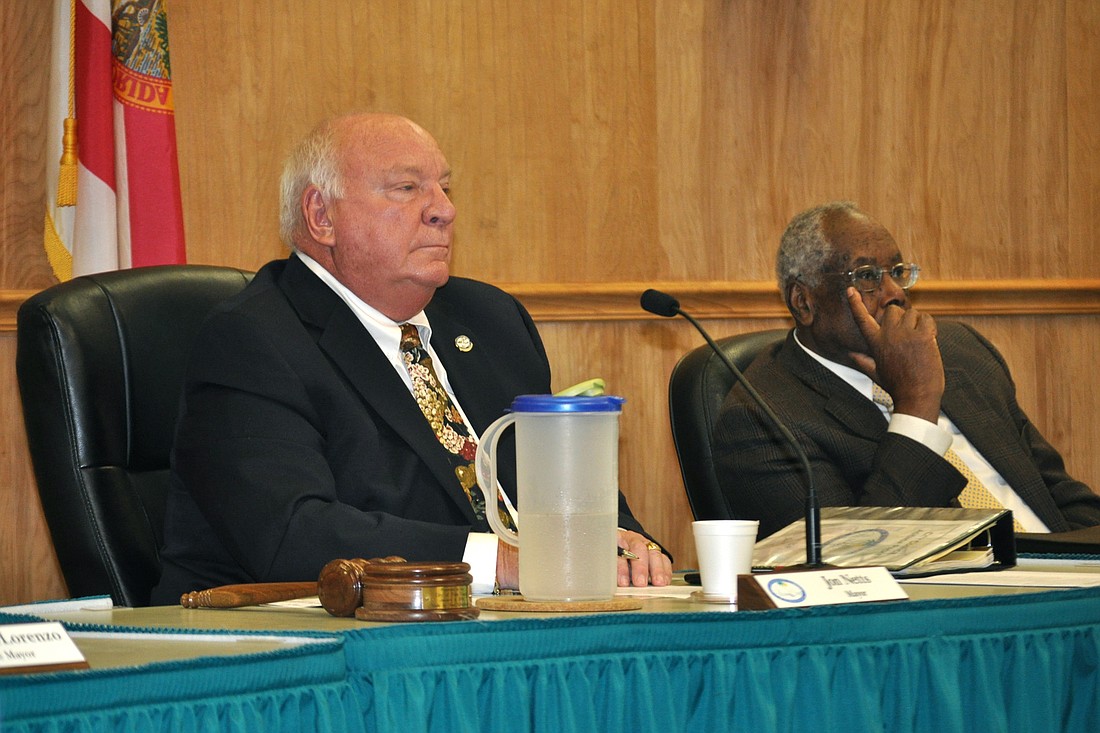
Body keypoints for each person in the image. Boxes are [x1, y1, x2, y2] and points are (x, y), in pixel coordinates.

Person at [151, 113, 671, 603]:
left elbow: (559, 480)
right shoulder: (253, 339)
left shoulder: (491, 319)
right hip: (306, 646)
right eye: (407, 188)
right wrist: (502, 561)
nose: (444, 208)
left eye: (444, 186)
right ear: (321, 215)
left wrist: (625, 545)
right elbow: (292, 533)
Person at [712, 201, 1100, 539]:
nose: (895, 292)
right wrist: (916, 404)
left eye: (896, 271)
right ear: (804, 302)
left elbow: (1058, 496)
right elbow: (850, 566)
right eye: (866, 276)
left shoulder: (959, 350)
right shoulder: (762, 420)